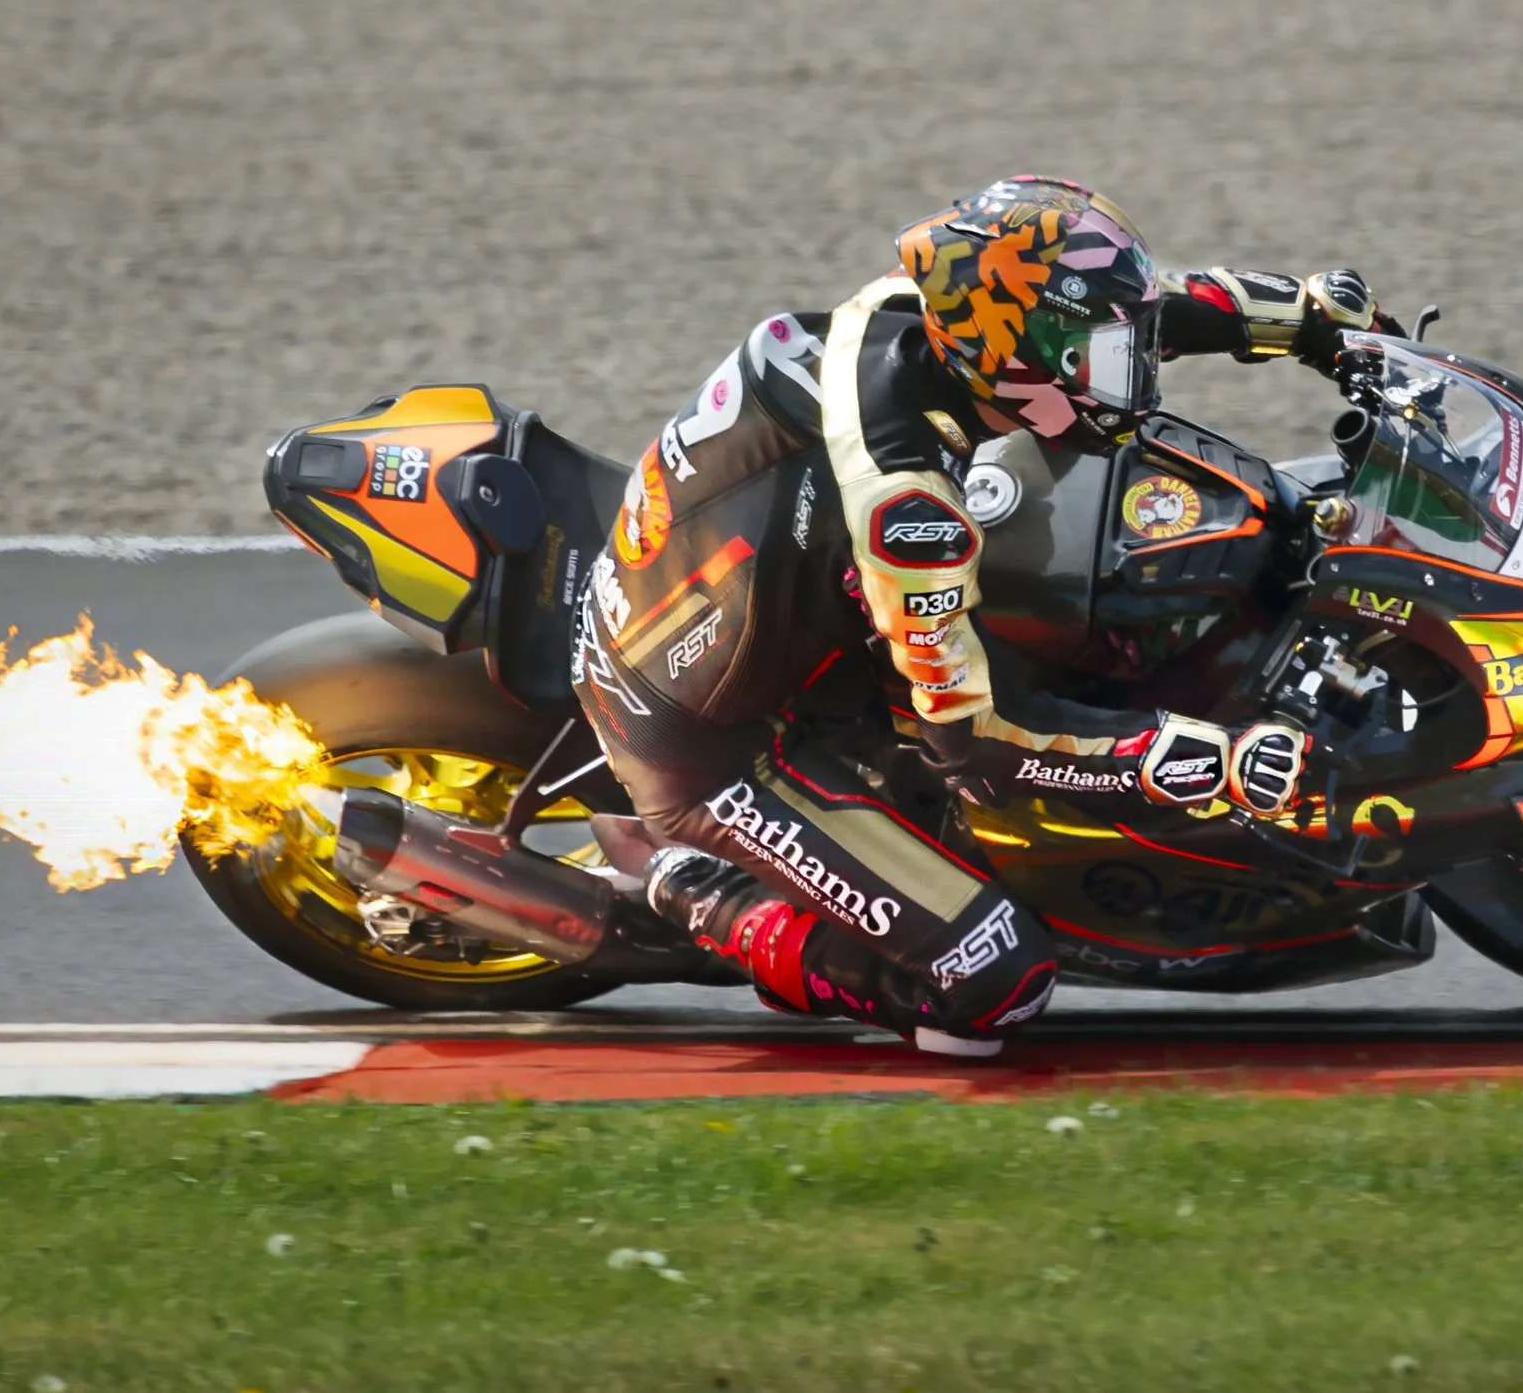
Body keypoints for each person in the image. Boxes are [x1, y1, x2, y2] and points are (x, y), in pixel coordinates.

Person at [572, 176, 1384, 1055]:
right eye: (1105, 361)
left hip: (748, 589)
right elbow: (977, 739)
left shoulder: (918, 313)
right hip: (712, 745)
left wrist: (1303, 317)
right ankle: (690, 886)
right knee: (993, 981)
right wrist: (1183, 758)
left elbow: (1144, 310)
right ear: (1015, 365)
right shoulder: (907, 514)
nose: (1133, 376)